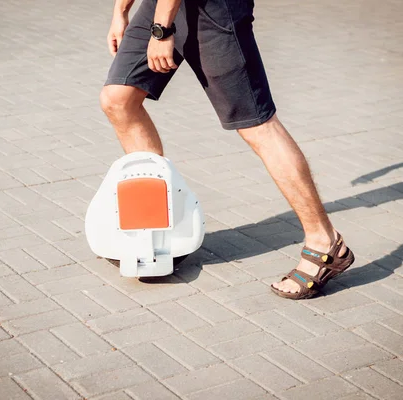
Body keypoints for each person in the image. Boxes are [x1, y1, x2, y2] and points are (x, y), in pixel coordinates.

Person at [99, 0, 355, 299]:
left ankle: (325, 242)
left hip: (214, 10)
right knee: (118, 99)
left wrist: (161, 31)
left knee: (258, 126)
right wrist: (121, 11)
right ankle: (159, 228)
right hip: (162, 6)